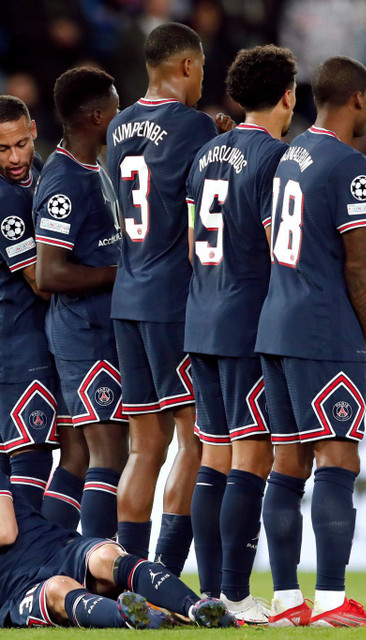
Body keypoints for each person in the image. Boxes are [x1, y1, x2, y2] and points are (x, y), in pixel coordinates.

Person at [255, 56, 366, 628]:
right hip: (323, 328)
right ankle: (335, 603)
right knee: (338, 457)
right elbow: (359, 265)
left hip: (276, 325)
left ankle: (289, 602)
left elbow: (273, 234)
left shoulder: (289, 155)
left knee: (287, 464)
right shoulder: (349, 163)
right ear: (360, 99)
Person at [0, 427, 236, 629]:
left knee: (106, 554)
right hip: (19, 593)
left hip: (58, 548)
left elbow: (3, 529)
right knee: (57, 589)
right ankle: (137, 617)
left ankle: (199, 607)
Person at [106, 20, 233, 573]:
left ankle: (128, 573)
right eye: (202, 68)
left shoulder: (117, 127)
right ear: (185, 66)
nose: (203, 78)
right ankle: (162, 575)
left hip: (126, 297)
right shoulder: (193, 126)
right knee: (195, 440)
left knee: (142, 447)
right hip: (171, 302)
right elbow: (199, 225)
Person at [184, 45, 297, 624]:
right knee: (251, 457)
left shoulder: (205, 154)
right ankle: (232, 593)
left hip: (199, 319)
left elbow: (189, 242)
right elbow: (285, 250)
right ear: (288, 95)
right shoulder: (279, 159)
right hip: (247, 324)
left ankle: (210, 593)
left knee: (213, 457)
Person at [0, 95, 83, 527]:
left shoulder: (34, 171)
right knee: (31, 461)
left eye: (20, 143)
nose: (15, 157)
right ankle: (29, 571)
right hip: (12, 342)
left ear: (33, 129)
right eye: (2, 148)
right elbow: (40, 281)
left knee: (11, 467)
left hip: (9, 338)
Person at [34, 67, 127, 540]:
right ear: (96, 117)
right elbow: (48, 273)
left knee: (86, 455)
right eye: (115, 107)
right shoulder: (65, 180)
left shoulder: (97, 168)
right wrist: (119, 274)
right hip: (84, 335)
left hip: (100, 330)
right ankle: (101, 571)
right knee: (107, 453)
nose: (122, 114)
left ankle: (47, 563)